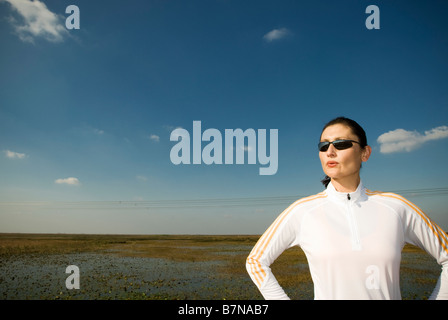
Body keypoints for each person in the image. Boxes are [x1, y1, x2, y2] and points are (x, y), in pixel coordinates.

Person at [246, 116, 448, 300]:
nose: (330, 152)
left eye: (341, 144)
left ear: (365, 153)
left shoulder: (396, 207)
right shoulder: (302, 211)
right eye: (323, 146)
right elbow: (255, 261)